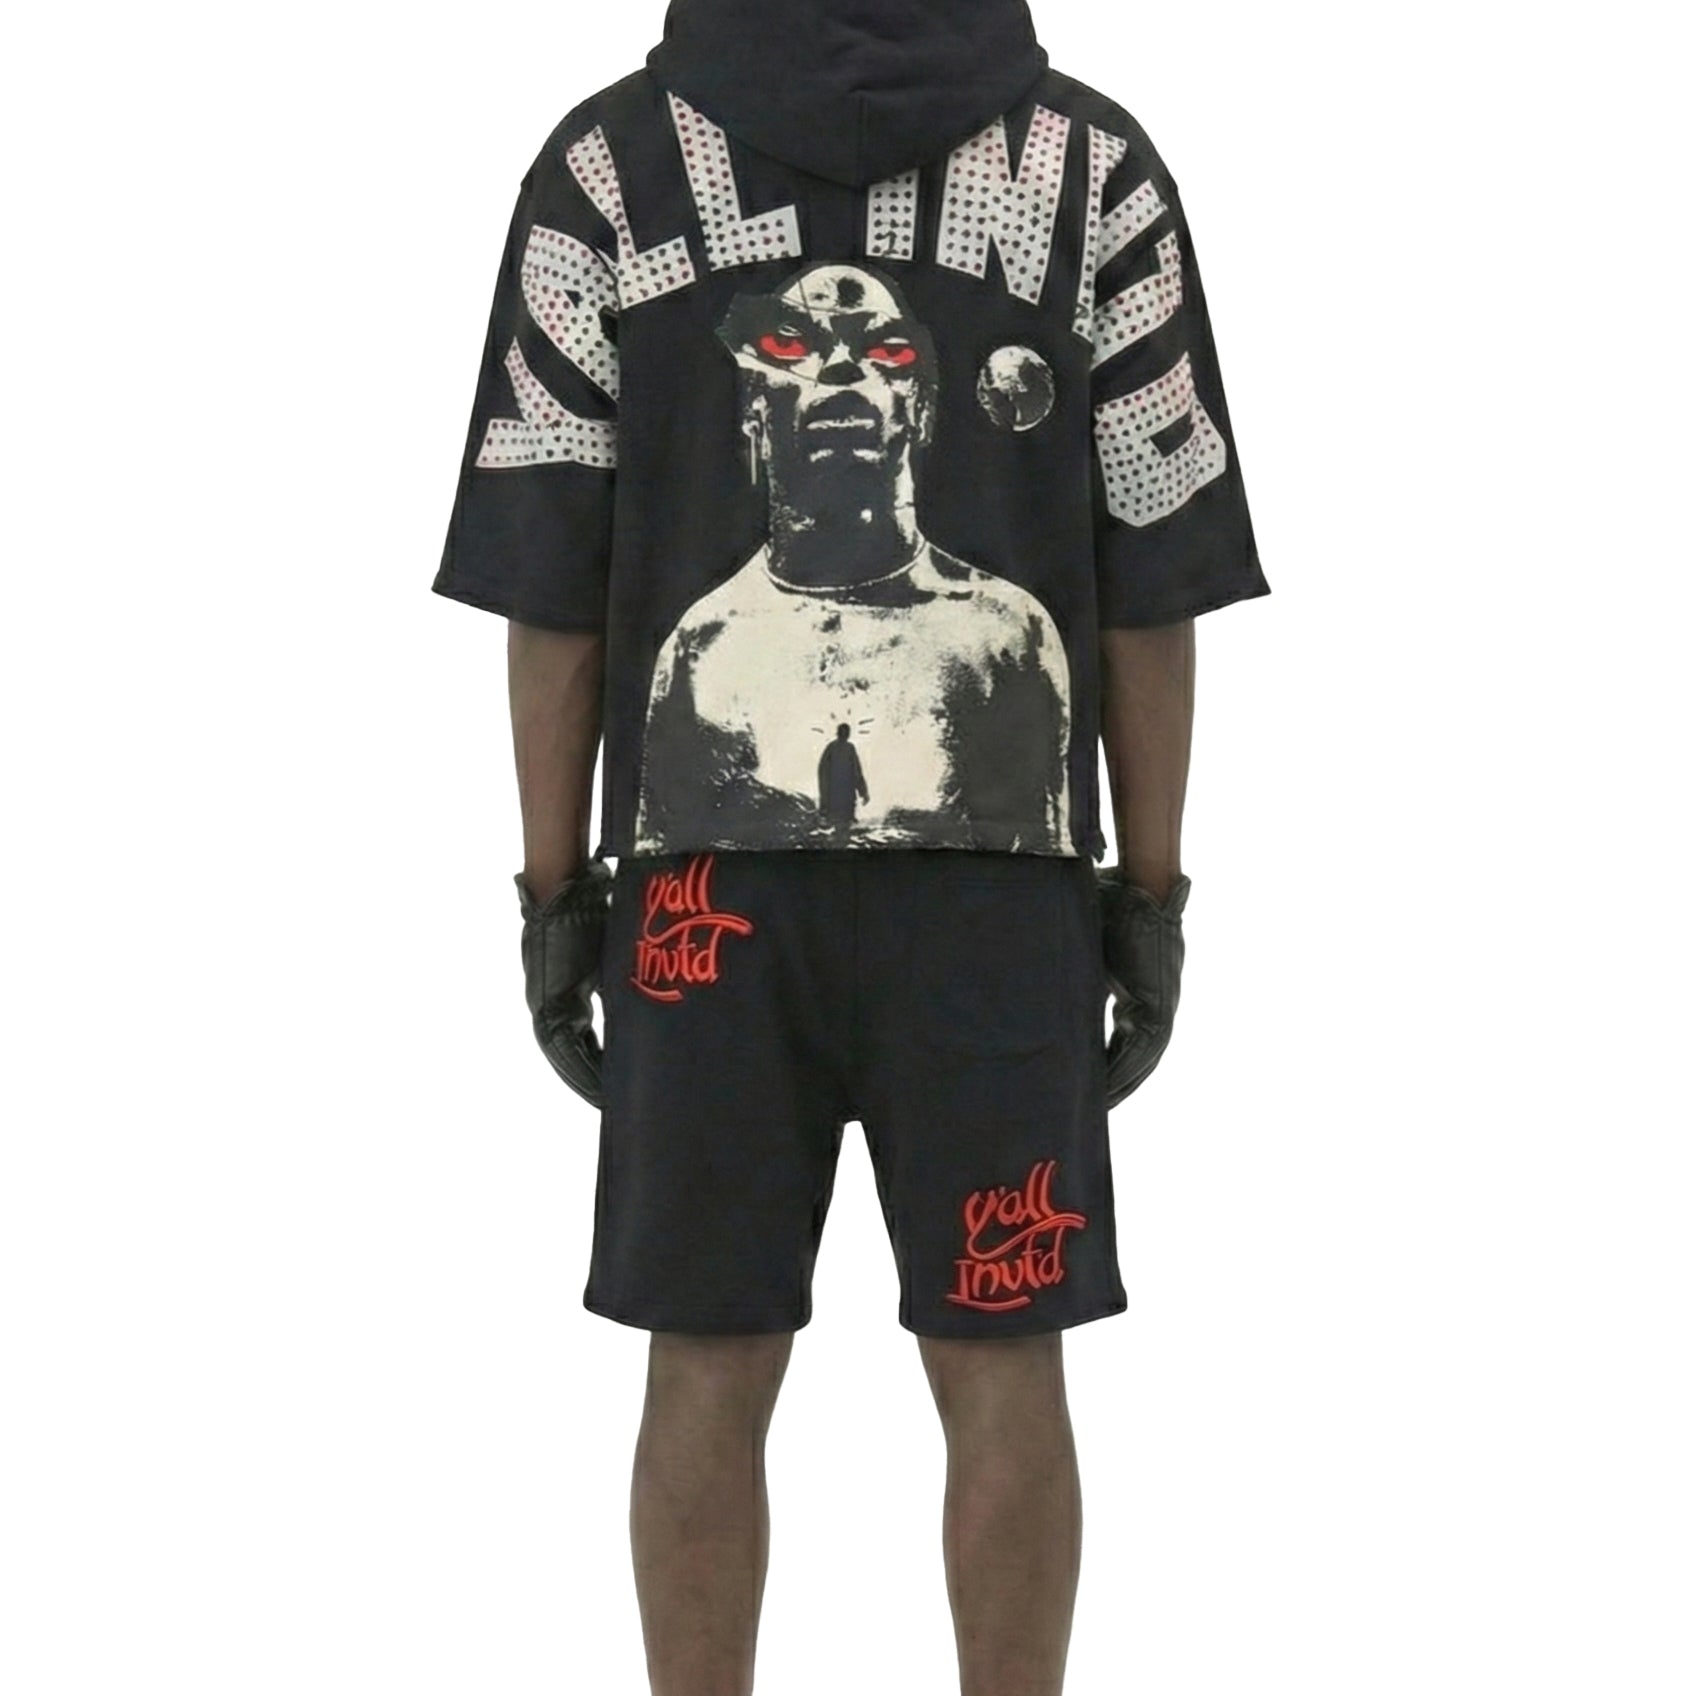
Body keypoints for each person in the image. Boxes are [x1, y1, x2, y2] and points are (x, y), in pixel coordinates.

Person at [432, 2, 1269, 1691]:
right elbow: (1152, 586)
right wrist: (1152, 894)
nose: (836, 386)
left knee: (706, 1357)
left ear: (917, 405)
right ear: (763, 406)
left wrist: (554, 895)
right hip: (996, 900)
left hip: (699, 895)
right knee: (1001, 1358)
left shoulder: (606, 171)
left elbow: (551, 592)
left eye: (879, 363)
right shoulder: (1094, 170)